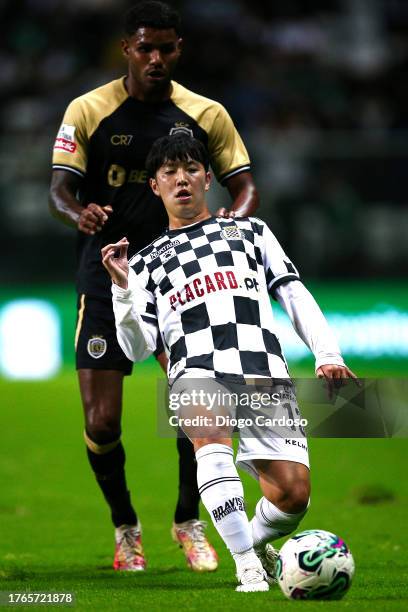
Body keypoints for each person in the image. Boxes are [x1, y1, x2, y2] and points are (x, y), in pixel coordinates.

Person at [48, 1, 259, 572]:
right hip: (108, 273)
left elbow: (243, 187)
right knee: (101, 422)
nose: (156, 58)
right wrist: (78, 215)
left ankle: (189, 519)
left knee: (200, 410)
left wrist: (232, 226)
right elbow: (59, 189)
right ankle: (125, 528)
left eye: (166, 47)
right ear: (127, 49)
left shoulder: (205, 113)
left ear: (179, 49)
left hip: (182, 277)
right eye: (145, 47)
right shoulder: (89, 109)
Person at [101, 133, 357, 592]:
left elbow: (292, 292)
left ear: (208, 177)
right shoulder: (143, 264)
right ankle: (246, 566)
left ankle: (254, 543)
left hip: (262, 370)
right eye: (169, 173)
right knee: (208, 434)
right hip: (196, 370)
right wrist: (121, 288)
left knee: (293, 496)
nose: (181, 179)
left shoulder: (251, 231)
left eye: (191, 169)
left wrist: (327, 354)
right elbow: (139, 348)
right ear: (155, 186)